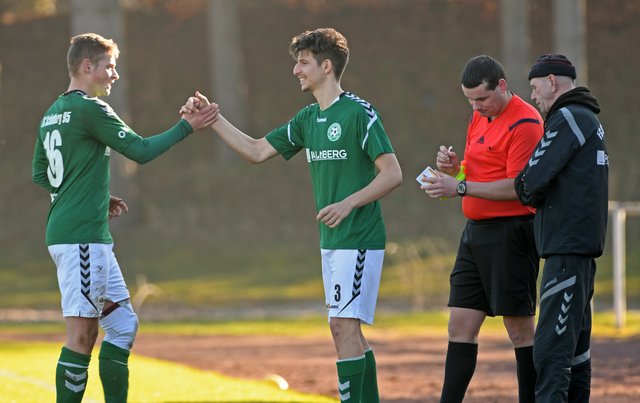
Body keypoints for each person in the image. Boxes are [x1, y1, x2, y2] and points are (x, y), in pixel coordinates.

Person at [182, 27, 402, 403]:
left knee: (342, 327)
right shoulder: (307, 119)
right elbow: (255, 151)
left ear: (326, 66)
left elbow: (393, 173)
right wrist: (213, 118)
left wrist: (348, 203)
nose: (296, 70)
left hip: (359, 238)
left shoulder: (358, 113)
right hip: (332, 241)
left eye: (303, 62)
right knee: (348, 331)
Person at [31, 33, 218, 403]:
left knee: (121, 325)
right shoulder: (91, 108)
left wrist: (93, 197)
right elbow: (140, 151)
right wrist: (187, 126)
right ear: (88, 66)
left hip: (79, 235)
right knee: (81, 337)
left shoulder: (53, 112)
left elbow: (42, 173)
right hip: (81, 239)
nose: (115, 74)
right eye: (110, 66)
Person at [420, 55, 543, 403]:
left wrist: (458, 187)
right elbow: (478, 174)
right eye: (470, 100)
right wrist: (455, 170)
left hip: (512, 233)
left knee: (519, 329)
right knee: (459, 324)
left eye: (482, 99)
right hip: (475, 233)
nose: (475, 107)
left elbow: (518, 187)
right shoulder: (479, 114)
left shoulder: (526, 122)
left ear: (502, 86)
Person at [515, 54, 609, 402]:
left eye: (534, 87)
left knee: (551, 353)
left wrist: (525, 184)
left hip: (566, 253)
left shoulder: (568, 117)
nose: (533, 96)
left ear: (552, 82)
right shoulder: (588, 119)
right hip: (578, 254)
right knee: (576, 355)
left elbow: (528, 184)